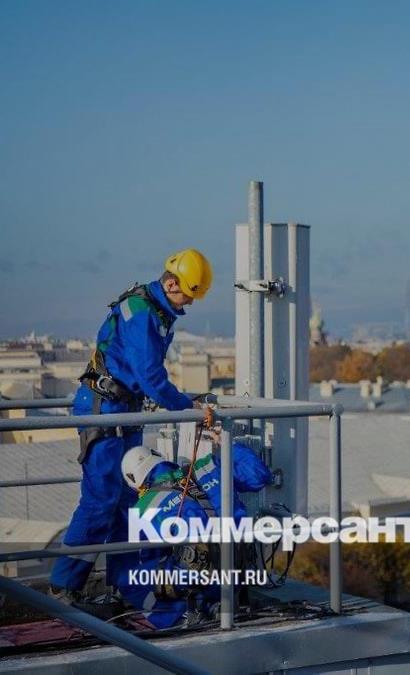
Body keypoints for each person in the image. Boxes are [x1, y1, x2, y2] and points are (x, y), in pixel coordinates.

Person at [49, 249, 214, 605]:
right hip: (105, 410)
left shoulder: (155, 310)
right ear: (171, 283)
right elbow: (150, 377)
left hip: (124, 409)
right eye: (188, 293)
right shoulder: (141, 313)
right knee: (101, 500)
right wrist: (187, 407)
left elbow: (145, 377)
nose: (190, 302)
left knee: (127, 501)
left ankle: (124, 587)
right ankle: (64, 588)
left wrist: (183, 402)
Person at [116, 441, 271, 628]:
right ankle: (215, 604)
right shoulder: (208, 466)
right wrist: (227, 442)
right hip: (241, 572)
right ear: (158, 456)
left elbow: (153, 557)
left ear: (135, 482)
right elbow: (259, 477)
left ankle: (181, 615)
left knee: (129, 581)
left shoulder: (144, 507)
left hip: (204, 581)